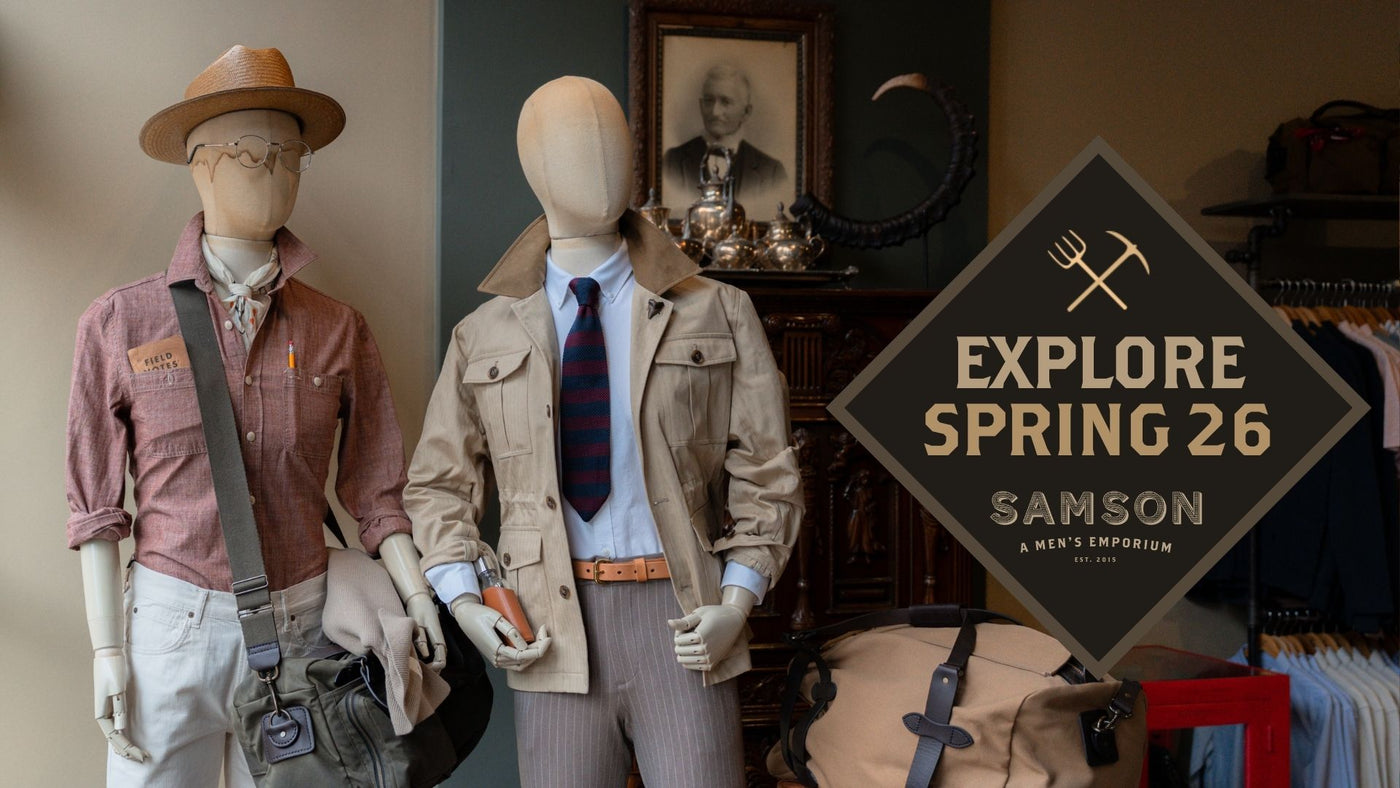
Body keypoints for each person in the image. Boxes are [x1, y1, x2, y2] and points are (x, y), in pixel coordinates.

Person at [406, 76, 802, 787]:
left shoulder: (717, 311)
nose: (599, 160)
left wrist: (736, 600)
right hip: (549, 625)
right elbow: (438, 486)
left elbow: (769, 473)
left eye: (613, 141)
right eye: (570, 145)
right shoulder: (482, 335)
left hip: (683, 618)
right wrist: (465, 602)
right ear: (533, 166)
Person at [66, 45, 443, 786]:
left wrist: (418, 594)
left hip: (306, 635)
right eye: (249, 151)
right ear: (200, 165)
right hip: (170, 631)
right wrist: (107, 650)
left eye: (291, 155)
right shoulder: (121, 322)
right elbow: (95, 510)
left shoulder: (338, 328)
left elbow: (377, 492)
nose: (275, 171)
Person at [663, 64, 788, 202]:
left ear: (746, 112)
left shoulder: (771, 171)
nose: (715, 112)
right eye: (709, 101)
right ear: (701, 105)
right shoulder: (672, 161)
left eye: (726, 102)